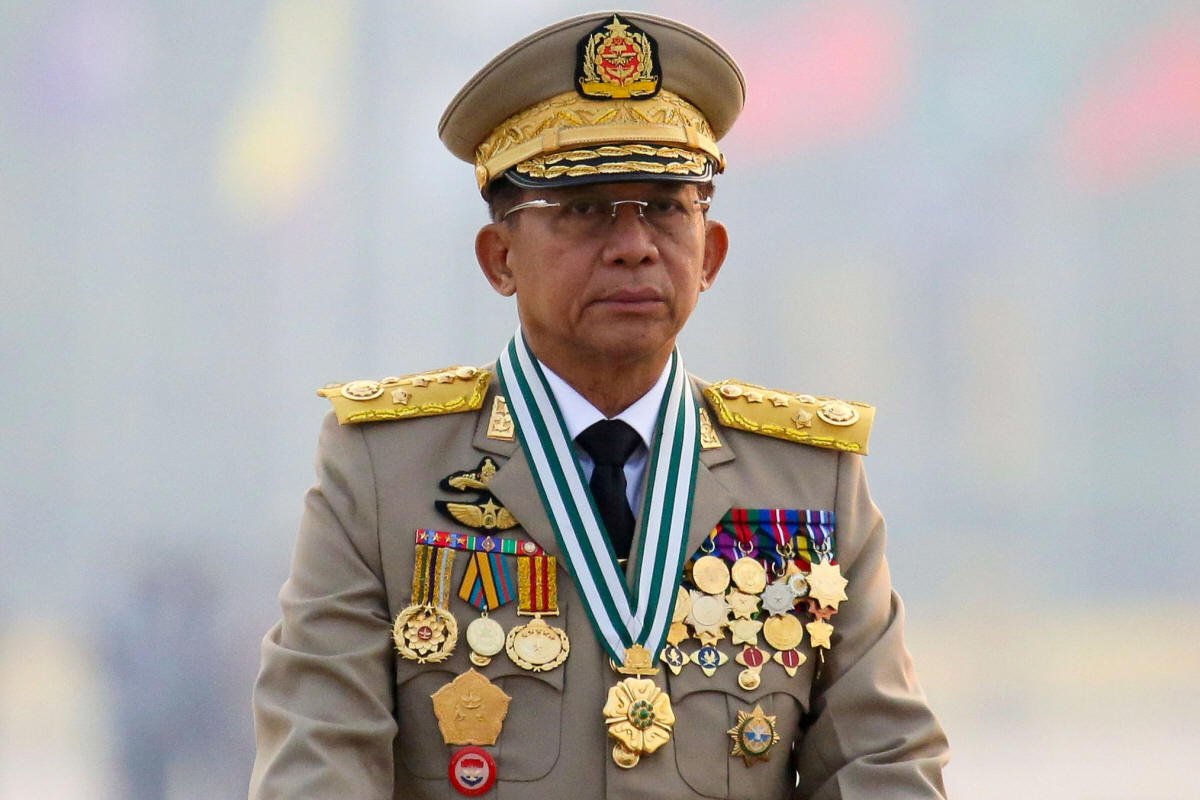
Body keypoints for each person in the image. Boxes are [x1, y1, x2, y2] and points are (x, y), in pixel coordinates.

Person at [250, 11, 948, 800]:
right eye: (583, 209)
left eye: (665, 206)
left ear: (711, 253)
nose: (633, 245)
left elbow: (883, 763)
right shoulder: (384, 471)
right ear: (500, 257)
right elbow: (320, 759)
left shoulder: (808, 479)